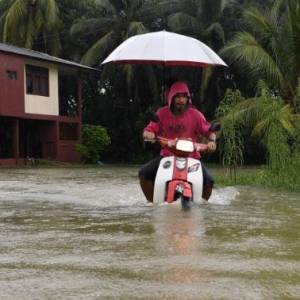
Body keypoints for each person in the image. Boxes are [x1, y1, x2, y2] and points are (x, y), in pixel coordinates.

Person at [139, 81, 217, 202]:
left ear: (188, 98)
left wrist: (212, 141)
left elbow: (209, 131)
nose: (181, 100)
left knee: (209, 181)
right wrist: (148, 134)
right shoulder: (161, 113)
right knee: (143, 174)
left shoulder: (196, 115)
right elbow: (149, 129)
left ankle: (202, 205)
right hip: (167, 155)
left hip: (192, 157)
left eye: (184, 96)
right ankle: (151, 202)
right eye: (178, 96)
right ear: (171, 97)